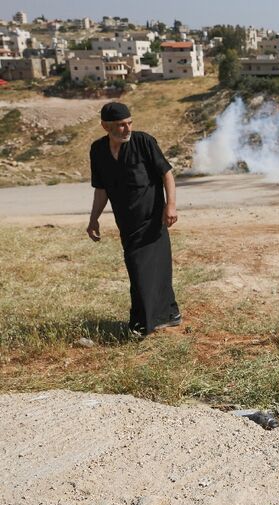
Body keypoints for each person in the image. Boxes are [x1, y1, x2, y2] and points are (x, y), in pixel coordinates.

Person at [87, 102, 182, 336]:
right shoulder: (98, 150)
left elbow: (166, 174)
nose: (127, 128)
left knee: (147, 270)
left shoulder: (144, 142)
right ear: (105, 126)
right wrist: (93, 219)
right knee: (139, 270)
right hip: (126, 222)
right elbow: (101, 189)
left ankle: (143, 325)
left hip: (152, 219)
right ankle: (169, 314)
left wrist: (170, 205)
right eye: (121, 125)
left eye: (129, 123)